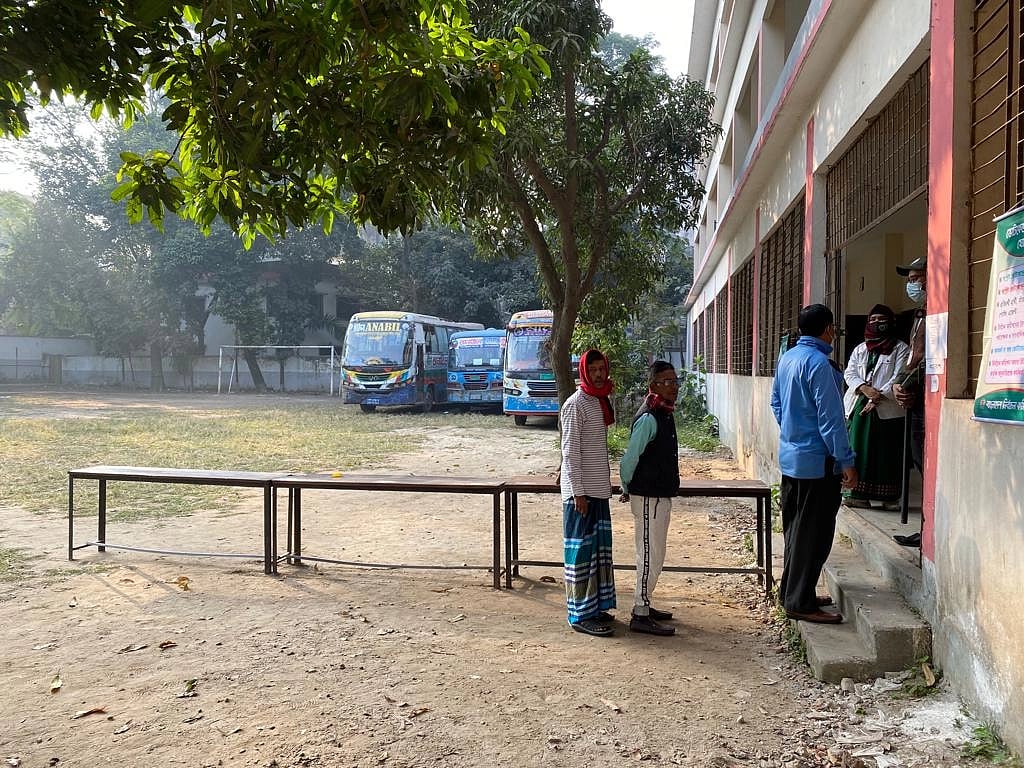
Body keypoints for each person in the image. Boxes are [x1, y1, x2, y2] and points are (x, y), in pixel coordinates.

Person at [771, 304, 858, 624]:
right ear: (827, 330)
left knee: (796, 529)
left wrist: (794, 433)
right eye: (832, 328)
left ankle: (793, 591)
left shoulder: (788, 358)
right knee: (815, 534)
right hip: (818, 463)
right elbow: (832, 420)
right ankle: (799, 601)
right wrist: (845, 460)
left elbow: (776, 403)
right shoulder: (820, 364)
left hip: (792, 460)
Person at [618, 361, 680, 637]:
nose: (673, 386)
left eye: (675, 381)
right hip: (647, 497)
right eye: (666, 381)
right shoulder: (649, 417)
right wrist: (627, 486)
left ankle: (646, 601)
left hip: (660, 496)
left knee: (657, 555)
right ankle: (639, 613)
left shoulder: (664, 412)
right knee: (648, 555)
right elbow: (629, 458)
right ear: (653, 385)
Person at [560, 349, 617, 637]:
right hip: (580, 494)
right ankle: (579, 614)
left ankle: (596, 606)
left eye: (601, 368)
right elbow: (569, 454)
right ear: (584, 371)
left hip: (598, 490)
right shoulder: (575, 404)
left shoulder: (600, 400)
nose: (598, 373)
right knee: (581, 554)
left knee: (598, 553)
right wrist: (578, 493)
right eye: (592, 369)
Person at [843, 304, 911, 509]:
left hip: (887, 408)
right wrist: (864, 389)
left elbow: (900, 376)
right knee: (859, 451)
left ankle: (889, 498)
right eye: (873, 320)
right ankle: (857, 495)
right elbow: (850, 373)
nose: (877, 324)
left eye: (882, 320)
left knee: (887, 453)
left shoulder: (901, 348)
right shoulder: (860, 349)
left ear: (891, 323)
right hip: (859, 405)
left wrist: (877, 397)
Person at [892, 256, 927, 547]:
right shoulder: (920, 314)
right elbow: (912, 357)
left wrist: (905, 383)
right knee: (918, 462)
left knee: (925, 465)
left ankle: (929, 532)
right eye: (910, 279)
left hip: (927, 401)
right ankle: (926, 530)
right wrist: (899, 384)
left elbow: (925, 358)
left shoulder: (938, 311)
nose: (911, 284)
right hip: (914, 402)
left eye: (916, 278)